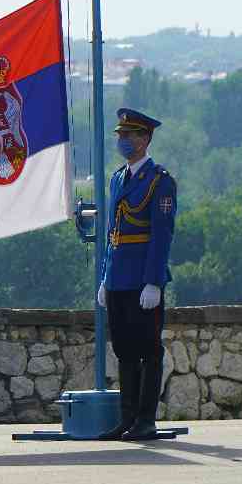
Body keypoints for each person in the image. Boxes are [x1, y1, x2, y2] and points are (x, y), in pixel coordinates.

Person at [97, 108, 177, 441]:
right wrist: (105, 276)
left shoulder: (160, 181)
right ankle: (127, 419)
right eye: (120, 135)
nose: (123, 141)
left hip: (143, 279)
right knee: (125, 351)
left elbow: (161, 235)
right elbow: (111, 232)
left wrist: (154, 282)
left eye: (129, 135)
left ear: (145, 139)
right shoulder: (118, 178)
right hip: (118, 278)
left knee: (149, 350)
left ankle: (146, 420)